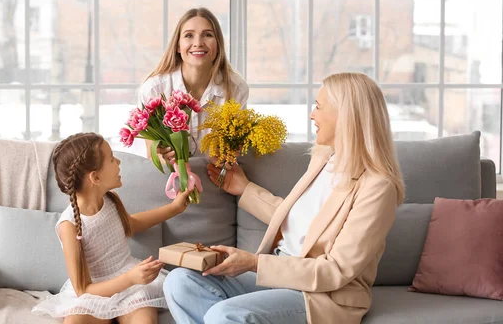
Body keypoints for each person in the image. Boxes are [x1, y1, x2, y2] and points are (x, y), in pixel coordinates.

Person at [163, 72, 405, 324]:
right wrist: (245, 189)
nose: (312, 114)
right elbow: (302, 221)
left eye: (319, 107)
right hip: (281, 273)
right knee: (180, 282)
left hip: (322, 295)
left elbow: (335, 271)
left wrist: (255, 263)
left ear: (346, 117)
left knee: (224, 315)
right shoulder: (324, 158)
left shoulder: (377, 187)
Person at [32, 132, 193, 324]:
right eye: (111, 159)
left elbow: (131, 225)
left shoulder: (110, 200)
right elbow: (83, 289)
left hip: (131, 285)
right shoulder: (70, 225)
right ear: (96, 177)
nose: (118, 161)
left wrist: (174, 208)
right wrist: (130, 278)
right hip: (96, 291)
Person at [138, 7, 249, 164]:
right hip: (169, 181)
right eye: (189, 35)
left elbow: (235, 153)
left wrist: (229, 156)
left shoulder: (236, 88)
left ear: (218, 45)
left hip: (216, 180)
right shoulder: (154, 90)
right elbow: (152, 156)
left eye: (207, 35)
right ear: (178, 46)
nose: (198, 43)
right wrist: (162, 157)